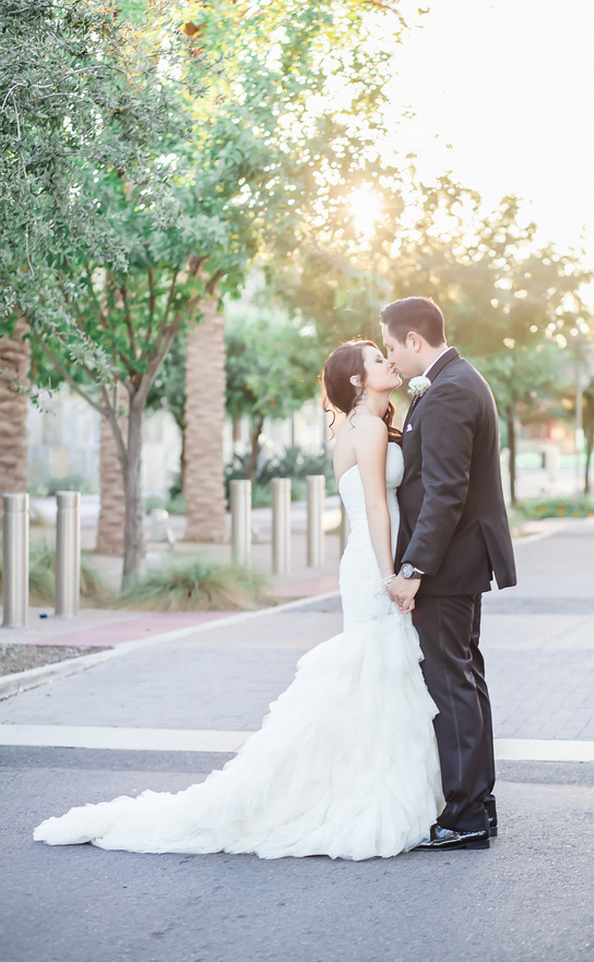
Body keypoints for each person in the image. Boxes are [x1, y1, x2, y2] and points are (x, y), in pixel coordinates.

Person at [33, 340, 445, 860]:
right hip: (371, 562)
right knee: (374, 671)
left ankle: (369, 782)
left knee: (381, 674)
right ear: (358, 382)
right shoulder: (363, 427)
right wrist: (392, 575)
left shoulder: (373, 422)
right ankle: (356, 791)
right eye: (376, 359)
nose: (388, 361)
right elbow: (376, 509)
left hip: (371, 556)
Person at [381, 296, 517, 851]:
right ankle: (477, 802)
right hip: (461, 560)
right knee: (466, 677)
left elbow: (444, 494)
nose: (391, 358)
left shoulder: (450, 392)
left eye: (391, 346)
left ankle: (463, 815)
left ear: (415, 340)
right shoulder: (458, 381)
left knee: (451, 682)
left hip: (447, 564)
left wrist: (413, 567)